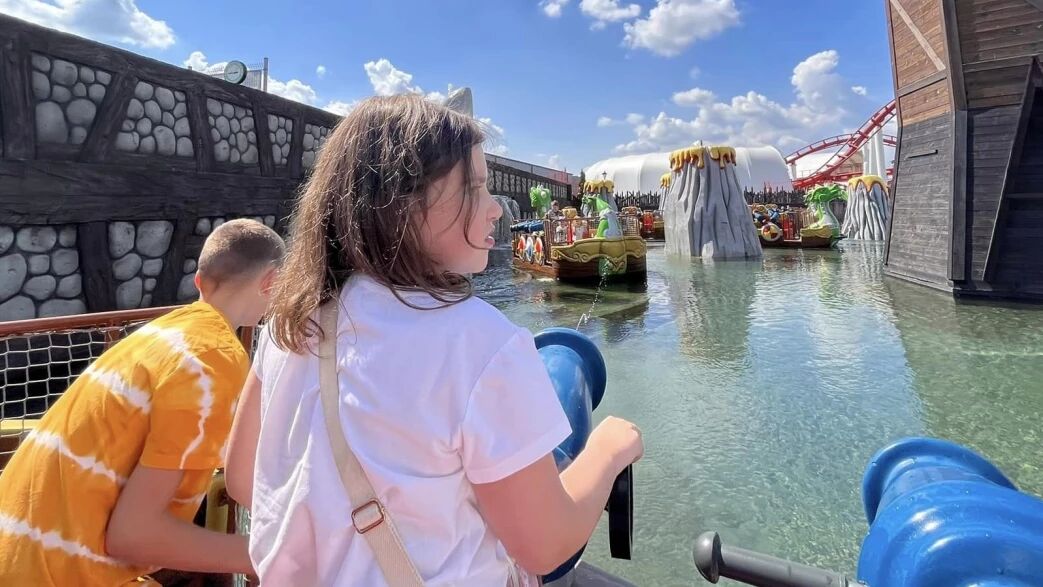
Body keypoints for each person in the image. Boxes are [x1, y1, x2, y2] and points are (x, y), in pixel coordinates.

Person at [224, 95, 643, 586]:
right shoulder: (477, 340)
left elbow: (243, 478)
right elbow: (546, 546)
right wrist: (609, 450)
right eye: (476, 188)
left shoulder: (289, 322)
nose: (495, 210)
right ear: (401, 202)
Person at [0, 219, 285, 586]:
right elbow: (134, 536)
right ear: (271, 282)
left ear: (199, 281)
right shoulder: (213, 358)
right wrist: (275, 555)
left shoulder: (165, 334)